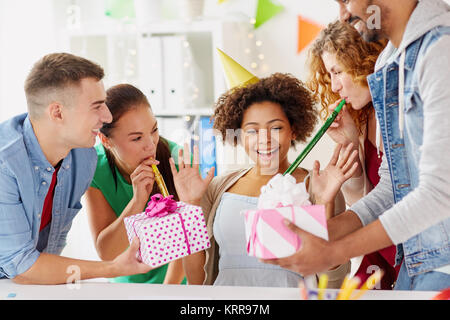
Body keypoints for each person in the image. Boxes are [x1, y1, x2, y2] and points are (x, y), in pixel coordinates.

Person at [264, 0, 450, 291]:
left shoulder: (440, 50)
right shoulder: (393, 63)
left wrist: (333, 249)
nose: (342, 14)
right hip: (416, 258)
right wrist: (320, 233)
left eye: (345, 0)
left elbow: (439, 192)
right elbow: (391, 190)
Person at [170, 73, 359, 288]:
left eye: (276, 127)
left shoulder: (320, 186)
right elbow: (196, 281)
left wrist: (325, 203)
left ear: (293, 130)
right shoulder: (218, 189)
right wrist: (191, 205)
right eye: (252, 130)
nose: (264, 139)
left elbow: (333, 284)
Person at [0, 53, 152, 284]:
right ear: (57, 113)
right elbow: (22, 266)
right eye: (97, 106)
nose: (107, 116)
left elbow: (49, 250)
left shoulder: (83, 157)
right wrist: (112, 268)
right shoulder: (5, 163)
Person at [306, 20, 400, 289]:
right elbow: (364, 200)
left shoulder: (399, 111)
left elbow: (392, 197)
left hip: (412, 252)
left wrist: (326, 234)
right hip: (382, 252)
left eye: (337, 71)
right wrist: (350, 147)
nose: (334, 86)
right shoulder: (365, 117)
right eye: (329, 75)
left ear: (364, 62)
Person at [84, 83, 185, 284]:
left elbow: (187, 245)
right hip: (126, 287)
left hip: (175, 286)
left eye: (154, 130)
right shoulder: (94, 167)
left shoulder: (180, 161)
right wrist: (137, 202)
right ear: (105, 140)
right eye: (137, 138)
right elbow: (107, 253)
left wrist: (167, 294)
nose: (150, 145)